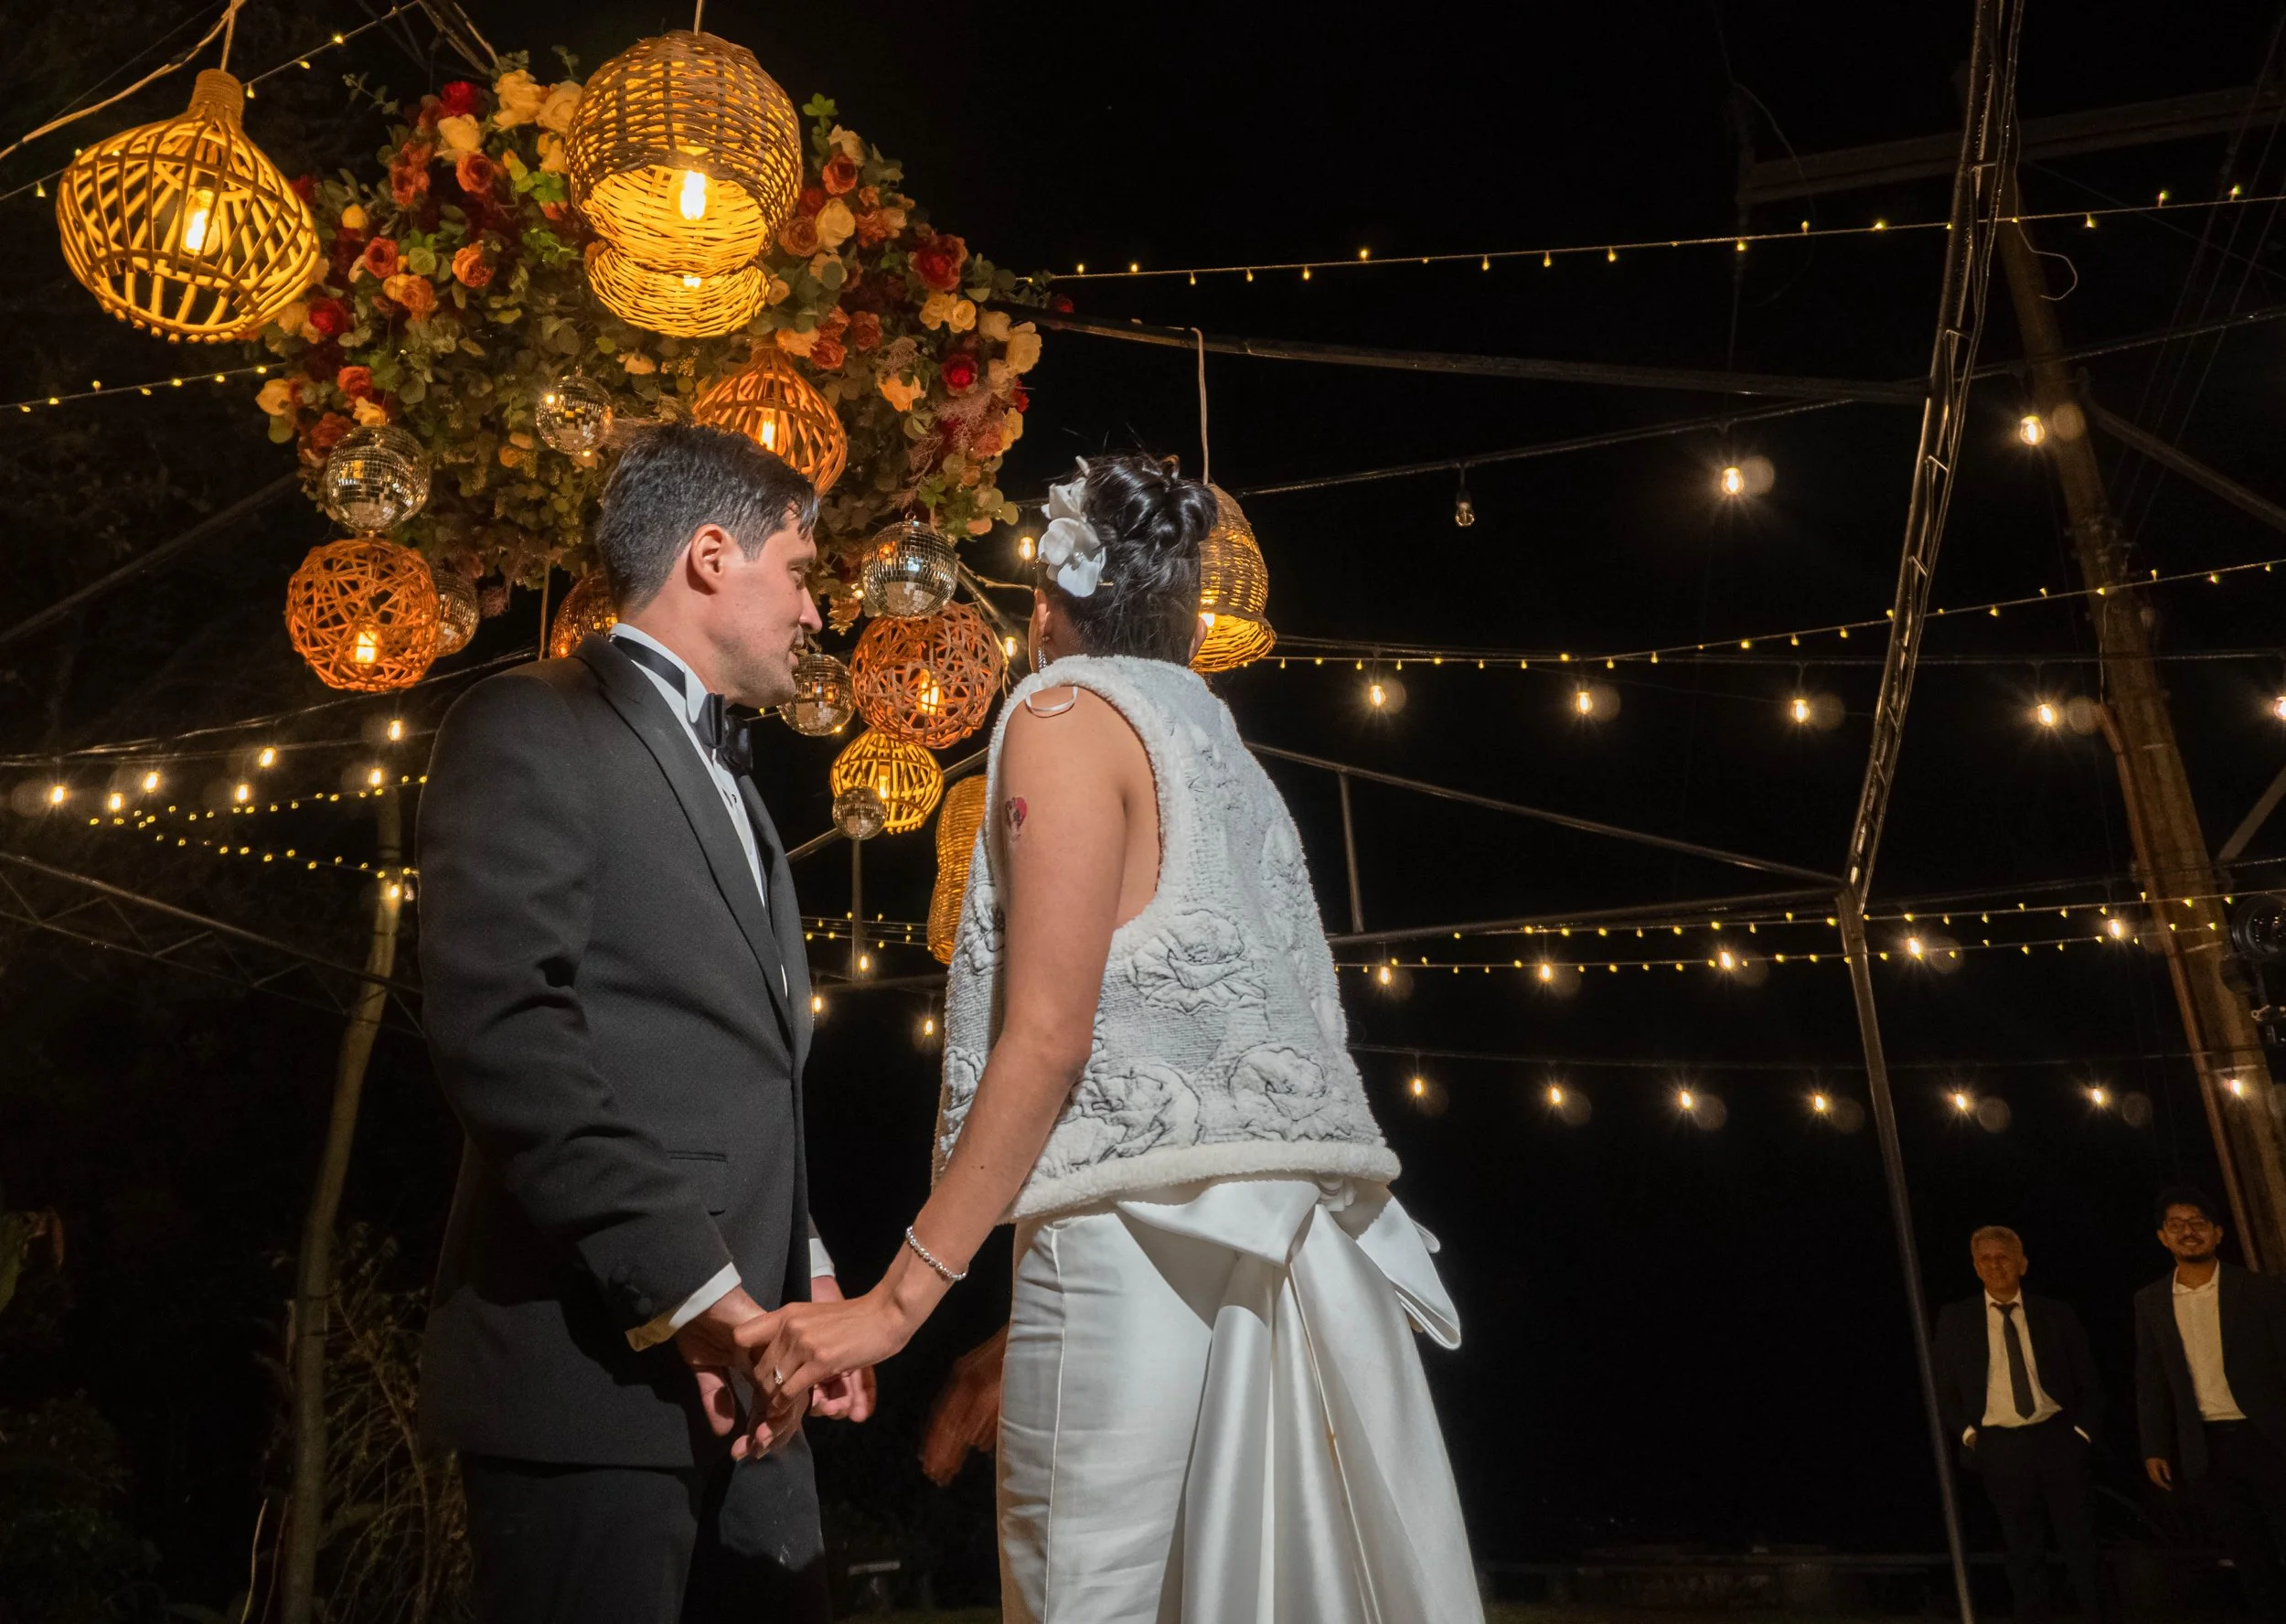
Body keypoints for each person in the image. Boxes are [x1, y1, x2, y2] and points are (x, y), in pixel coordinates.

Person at [739, 454, 1483, 1622]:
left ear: (1047, 607)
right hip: (1289, 1258)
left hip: (1124, 1263)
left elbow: (1050, 1038)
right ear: (1186, 614)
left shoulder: (1062, 712)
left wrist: (890, 1309)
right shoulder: (1221, 747)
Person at [416, 423, 870, 1624]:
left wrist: (804, 1270)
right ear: (712, 557)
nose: (815, 613)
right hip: (586, 1380)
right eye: (802, 573)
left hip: (758, 1385)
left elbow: (732, 1068)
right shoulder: (528, 721)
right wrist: (694, 1289)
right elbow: (504, 1033)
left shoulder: (742, 781)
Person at [1932, 1225, 2110, 1623]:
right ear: (1976, 1267)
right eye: (1986, 1259)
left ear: (2022, 1263)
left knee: (2081, 1540)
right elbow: (1944, 1387)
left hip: (2057, 1438)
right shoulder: (1956, 1318)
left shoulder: (2055, 1313)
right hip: (1999, 1446)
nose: (1995, 1265)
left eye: (2003, 1257)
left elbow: (2089, 1380)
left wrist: (2081, 1434)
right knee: (2021, 1547)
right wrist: (1970, 1436)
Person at [2136, 1184, 2286, 1620]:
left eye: (2199, 1222)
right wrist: (2154, 1446)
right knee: (2248, 1553)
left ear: (2218, 1233)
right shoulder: (2150, 1301)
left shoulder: (2260, 1289)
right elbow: (2150, 1377)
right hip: (2206, 1446)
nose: (2188, 1231)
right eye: (2177, 1224)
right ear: (2163, 1237)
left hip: (2268, 1436)